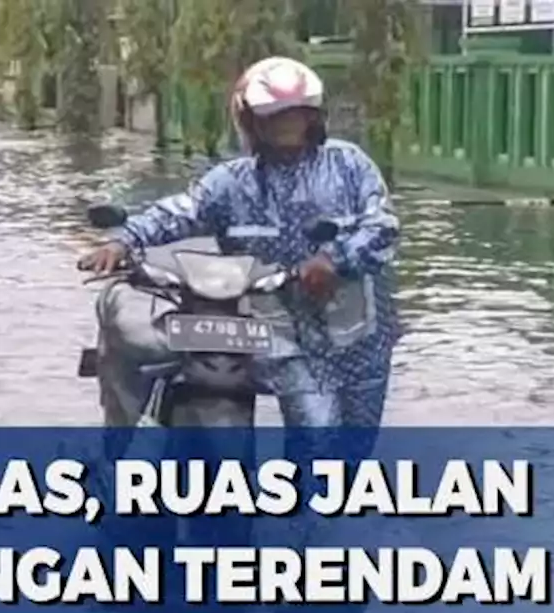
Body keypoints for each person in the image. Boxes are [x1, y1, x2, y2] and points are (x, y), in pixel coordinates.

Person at [78, 56, 400, 430]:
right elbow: (181, 211)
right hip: (279, 335)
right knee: (316, 429)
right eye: (275, 117)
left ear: (314, 118)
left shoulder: (349, 164)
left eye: (297, 116)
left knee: (353, 450)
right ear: (251, 121)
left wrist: (335, 259)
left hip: (359, 336)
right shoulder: (230, 182)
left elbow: (383, 225)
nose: (287, 126)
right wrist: (125, 240)